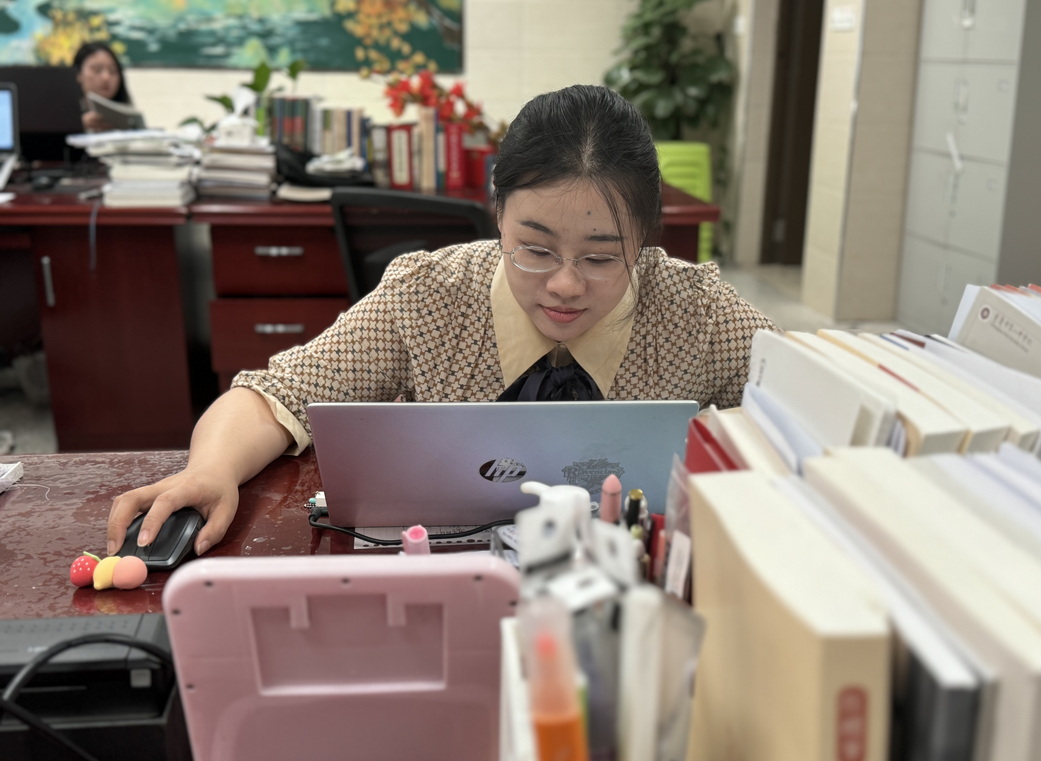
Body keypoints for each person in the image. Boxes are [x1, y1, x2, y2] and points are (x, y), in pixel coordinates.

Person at [105, 84, 777, 556]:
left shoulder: (694, 311)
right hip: (446, 581)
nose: (565, 284)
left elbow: (805, 405)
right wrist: (211, 469)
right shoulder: (432, 296)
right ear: (498, 214)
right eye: (536, 249)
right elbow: (275, 393)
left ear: (646, 241)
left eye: (602, 257)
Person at [73, 41, 133, 133]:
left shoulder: (128, 113)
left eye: (112, 71)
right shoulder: (63, 114)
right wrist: (77, 125)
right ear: (78, 74)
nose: (106, 77)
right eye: (97, 70)